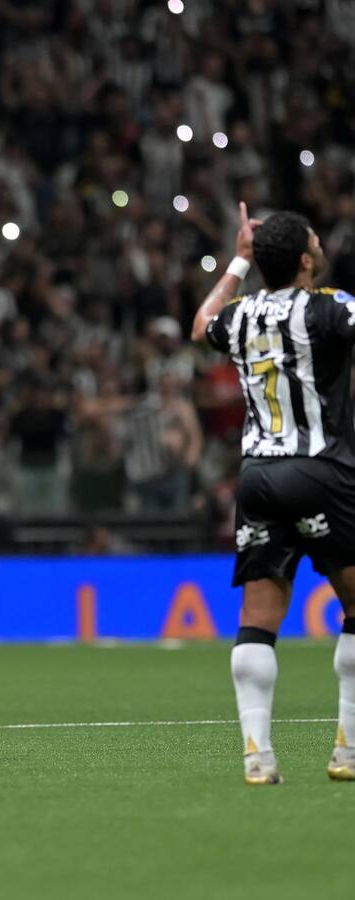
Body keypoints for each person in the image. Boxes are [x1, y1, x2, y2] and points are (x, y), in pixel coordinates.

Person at [191, 203, 355, 784]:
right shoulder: (330, 307)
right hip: (321, 469)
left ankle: (257, 755)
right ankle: (348, 751)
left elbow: (199, 323)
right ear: (307, 258)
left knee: (258, 619)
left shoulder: (238, 315)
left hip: (259, 476)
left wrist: (237, 258)